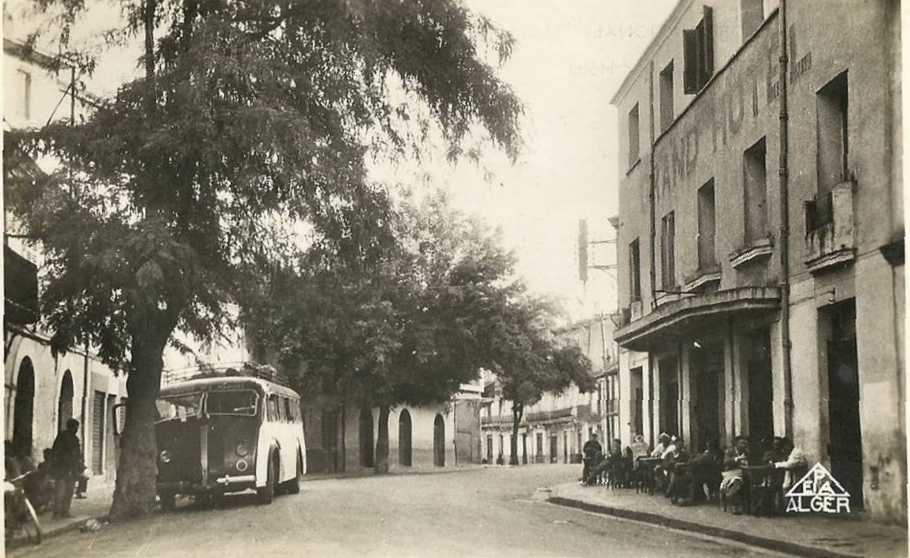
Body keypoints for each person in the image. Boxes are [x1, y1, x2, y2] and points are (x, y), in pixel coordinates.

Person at [51, 419, 83, 519]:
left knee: (68, 491)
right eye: (75, 427)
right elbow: (57, 452)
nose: (76, 429)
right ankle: (58, 513)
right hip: (63, 468)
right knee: (61, 491)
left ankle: (64, 512)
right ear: (71, 427)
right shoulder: (64, 437)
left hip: (70, 468)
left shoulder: (72, 438)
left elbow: (77, 454)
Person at [720, 436, 750, 514]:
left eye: (745, 443)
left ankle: (747, 506)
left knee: (749, 482)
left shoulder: (746, 452)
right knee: (736, 482)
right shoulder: (730, 452)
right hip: (731, 472)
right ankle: (734, 505)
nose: (744, 445)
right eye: (742, 443)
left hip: (743, 472)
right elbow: (725, 462)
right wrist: (737, 459)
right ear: (736, 444)